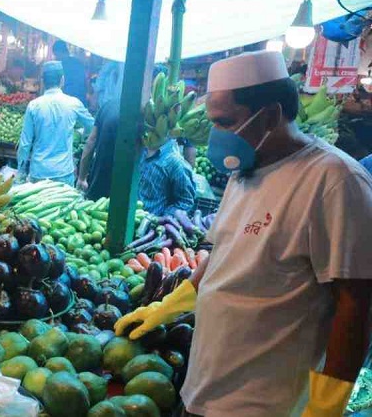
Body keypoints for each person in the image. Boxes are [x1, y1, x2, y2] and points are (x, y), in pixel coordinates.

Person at [114, 51, 372, 417]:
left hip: (263, 404)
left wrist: (325, 407)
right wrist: (167, 306)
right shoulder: (246, 168)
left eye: (224, 122)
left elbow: (356, 306)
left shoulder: (335, 182)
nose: (215, 134)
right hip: (204, 385)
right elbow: (224, 254)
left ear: (269, 115)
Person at [18, 61, 94, 186]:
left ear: (43, 81)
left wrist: (21, 172)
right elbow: (92, 126)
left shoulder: (33, 106)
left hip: (39, 172)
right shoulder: (73, 103)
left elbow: (25, 143)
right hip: (63, 172)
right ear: (62, 80)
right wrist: (83, 134)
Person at [78, 61, 123, 198]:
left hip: (100, 180)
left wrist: (82, 177)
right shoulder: (147, 113)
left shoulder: (108, 106)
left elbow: (90, 143)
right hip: (129, 188)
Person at [137, 137, 197, 215]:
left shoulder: (176, 163)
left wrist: (161, 220)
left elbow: (185, 202)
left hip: (148, 222)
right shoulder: (136, 147)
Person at [52, 40, 87, 105]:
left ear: (60, 52)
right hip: (79, 101)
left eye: (56, 55)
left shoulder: (61, 65)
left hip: (67, 101)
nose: (56, 57)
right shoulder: (78, 63)